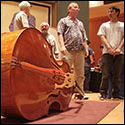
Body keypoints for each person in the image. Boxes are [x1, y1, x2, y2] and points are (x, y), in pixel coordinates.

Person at [57, 2, 89, 99]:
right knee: (65, 73)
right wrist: (62, 46)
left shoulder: (80, 23)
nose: (77, 9)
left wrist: (86, 49)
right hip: (68, 50)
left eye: (78, 8)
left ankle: (80, 93)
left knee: (80, 73)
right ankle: (63, 94)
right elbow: (60, 34)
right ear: (69, 9)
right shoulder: (63, 21)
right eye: (74, 7)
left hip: (79, 51)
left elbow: (84, 38)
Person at [97, 6, 124, 100]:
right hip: (106, 53)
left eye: (111, 11)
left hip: (119, 53)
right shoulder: (104, 25)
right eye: (108, 11)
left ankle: (116, 94)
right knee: (105, 74)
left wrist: (119, 48)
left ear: (117, 13)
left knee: (118, 75)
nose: (109, 13)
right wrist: (108, 47)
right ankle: (103, 93)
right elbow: (102, 37)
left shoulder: (122, 25)